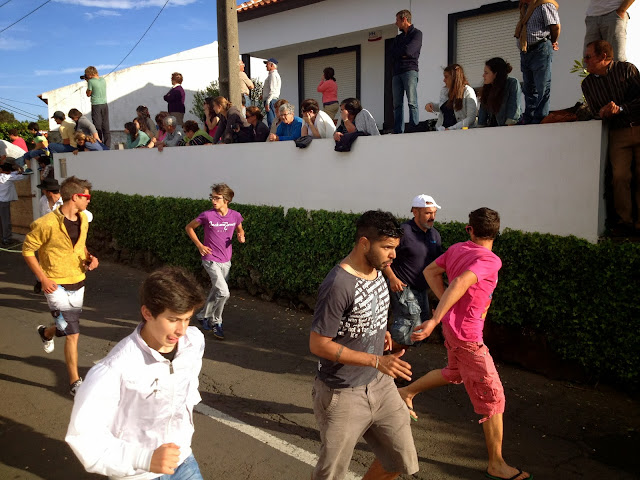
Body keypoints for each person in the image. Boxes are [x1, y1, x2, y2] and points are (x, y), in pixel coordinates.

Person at [398, 208, 532, 480]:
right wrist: (436, 318)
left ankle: (406, 393)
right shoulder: (490, 259)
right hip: (468, 336)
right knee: (493, 398)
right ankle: (496, 464)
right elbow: (459, 282)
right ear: (496, 233)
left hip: (454, 329)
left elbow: (431, 271)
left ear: (469, 229)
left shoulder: (458, 248)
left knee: (455, 373)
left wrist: (444, 312)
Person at [65, 266, 206, 479]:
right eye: (173, 319)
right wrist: (144, 459)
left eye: (187, 319)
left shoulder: (194, 342)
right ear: (147, 313)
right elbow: (84, 437)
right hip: (137, 473)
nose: (182, 330)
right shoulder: (114, 368)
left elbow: (189, 386)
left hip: (183, 460)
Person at [310, 210, 418, 480]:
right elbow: (318, 344)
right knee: (331, 474)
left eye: (395, 247)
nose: (393, 254)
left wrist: (380, 334)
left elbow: (369, 314)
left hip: (381, 385)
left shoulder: (378, 272)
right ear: (364, 243)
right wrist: (376, 360)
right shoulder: (338, 284)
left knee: (399, 459)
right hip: (343, 392)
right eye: (387, 247)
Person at [22, 176, 99, 395]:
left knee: (67, 325)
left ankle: (46, 333)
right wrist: (43, 278)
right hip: (55, 284)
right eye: (87, 197)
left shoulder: (83, 219)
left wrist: (89, 257)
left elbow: (81, 246)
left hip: (78, 279)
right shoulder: (45, 224)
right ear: (75, 197)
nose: (89, 201)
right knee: (72, 332)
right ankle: (75, 382)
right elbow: (27, 250)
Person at [581, 39, 640, 232]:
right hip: (618, 134)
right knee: (620, 177)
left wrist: (621, 108)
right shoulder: (588, 84)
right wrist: (602, 113)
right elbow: (591, 110)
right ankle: (625, 222)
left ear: (603, 57)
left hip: (638, 126)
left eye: (589, 57)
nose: (585, 61)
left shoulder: (627, 70)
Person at [185, 183, 245, 340]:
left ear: (226, 200)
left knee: (216, 290)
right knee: (224, 292)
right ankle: (216, 322)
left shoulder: (235, 215)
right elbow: (189, 227)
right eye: (212, 197)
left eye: (217, 198)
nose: (213, 201)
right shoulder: (207, 215)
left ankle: (202, 315)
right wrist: (199, 245)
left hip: (226, 260)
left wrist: (241, 236)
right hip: (210, 259)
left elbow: (240, 228)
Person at [383, 195, 442, 349]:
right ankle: (385, 360)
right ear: (415, 212)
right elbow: (384, 256)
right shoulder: (403, 232)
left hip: (421, 290)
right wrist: (392, 278)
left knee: (416, 330)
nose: (432, 217)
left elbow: (438, 264)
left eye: (434, 213)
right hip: (402, 285)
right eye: (428, 213)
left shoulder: (434, 234)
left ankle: (391, 359)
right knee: (406, 328)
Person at [515, 0, 561, 125]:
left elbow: (555, 26)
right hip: (525, 51)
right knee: (528, 87)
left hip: (540, 48)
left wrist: (553, 41)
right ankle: (529, 117)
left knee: (542, 86)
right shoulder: (525, 7)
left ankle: (540, 117)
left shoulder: (544, 4)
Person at [391, 9, 423, 133]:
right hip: (397, 72)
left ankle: (413, 129)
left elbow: (409, 51)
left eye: (397, 20)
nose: (396, 23)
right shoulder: (398, 38)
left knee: (412, 101)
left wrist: (402, 52)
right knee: (397, 104)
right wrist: (403, 52)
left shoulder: (417, 34)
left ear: (404, 19)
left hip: (410, 71)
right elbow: (392, 53)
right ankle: (399, 130)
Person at [425, 64, 478, 131]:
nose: (444, 80)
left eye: (446, 77)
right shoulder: (444, 91)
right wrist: (432, 106)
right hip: (442, 131)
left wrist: (452, 129)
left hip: (461, 133)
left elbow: (471, 118)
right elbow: (446, 107)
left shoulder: (467, 91)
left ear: (454, 78)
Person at [477, 58, 523, 127]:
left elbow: (513, 107)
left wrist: (509, 127)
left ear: (495, 74)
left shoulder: (512, 83)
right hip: (493, 128)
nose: (483, 75)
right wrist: (480, 127)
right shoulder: (487, 88)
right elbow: (482, 113)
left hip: (510, 127)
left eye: (486, 73)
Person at [0, 162, 27, 245]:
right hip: (4, 202)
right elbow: (23, 176)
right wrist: (20, 168)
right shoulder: (9, 177)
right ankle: (6, 239)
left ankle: (2, 237)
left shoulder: (6, 176)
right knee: (6, 221)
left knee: (1, 221)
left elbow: (13, 173)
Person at [84, 66, 111, 148]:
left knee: (97, 126)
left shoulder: (91, 81)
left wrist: (87, 82)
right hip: (104, 104)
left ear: (89, 74)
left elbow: (88, 94)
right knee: (105, 125)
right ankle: (107, 145)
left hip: (96, 105)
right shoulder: (103, 80)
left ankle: (99, 144)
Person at [262, 57, 281, 128]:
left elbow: (272, 90)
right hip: (271, 99)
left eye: (267, 64)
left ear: (272, 65)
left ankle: (273, 134)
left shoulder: (273, 75)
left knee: (271, 120)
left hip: (271, 100)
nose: (266, 66)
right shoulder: (272, 75)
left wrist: (267, 102)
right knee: (272, 119)